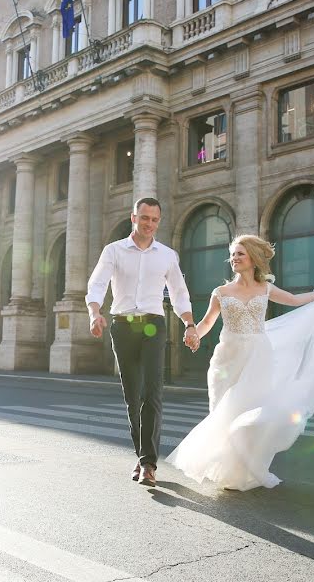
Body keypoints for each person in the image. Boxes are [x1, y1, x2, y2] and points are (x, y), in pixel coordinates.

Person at [166, 235, 314, 491]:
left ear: (253, 258)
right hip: (226, 358)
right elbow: (207, 322)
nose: (234, 259)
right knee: (222, 411)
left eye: (240, 254)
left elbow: (294, 301)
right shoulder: (221, 292)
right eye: (233, 254)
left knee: (249, 413)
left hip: (258, 357)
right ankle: (226, 469)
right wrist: (193, 333)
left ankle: (242, 472)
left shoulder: (266, 289)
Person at [86, 197, 200, 487]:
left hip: (153, 325)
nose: (149, 224)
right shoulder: (114, 251)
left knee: (152, 392)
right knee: (132, 396)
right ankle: (141, 456)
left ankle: (149, 464)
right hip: (122, 327)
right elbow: (97, 283)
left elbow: (179, 292)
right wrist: (95, 313)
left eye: (154, 219)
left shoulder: (167, 255)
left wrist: (189, 324)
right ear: (133, 217)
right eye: (144, 218)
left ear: (158, 221)